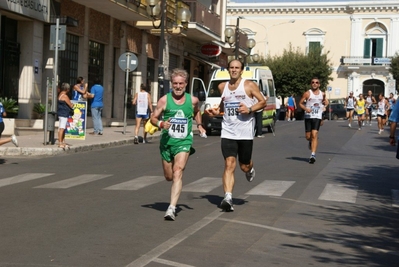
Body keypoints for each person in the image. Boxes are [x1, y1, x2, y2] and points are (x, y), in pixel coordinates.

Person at [204, 59, 266, 212]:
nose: (234, 70)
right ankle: (228, 197)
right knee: (229, 164)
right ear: (228, 69)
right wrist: (217, 112)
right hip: (228, 131)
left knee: (243, 166)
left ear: (242, 70)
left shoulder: (249, 85)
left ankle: (250, 169)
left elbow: (263, 102)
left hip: (245, 132)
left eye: (237, 68)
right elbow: (224, 105)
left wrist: (250, 109)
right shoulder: (222, 86)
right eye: (231, 67)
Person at [150, 68, 206, 221]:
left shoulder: (192, 100)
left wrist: (199, 125)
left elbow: (196, 111)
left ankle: (171, 208)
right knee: (169, 176)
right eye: (175, 83)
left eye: (181, 83)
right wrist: (161, 123)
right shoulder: (164, 100)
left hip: (184, 141)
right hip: (167, 142)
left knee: (178, 170)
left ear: (186, 84)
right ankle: (172, 201)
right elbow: (153, 118)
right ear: (171, 84)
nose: (178, 86)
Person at [299, 77, 328, 164]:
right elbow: (300, 103)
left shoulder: (322, 94)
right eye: (313, 82)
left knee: (315, 134)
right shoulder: (307, 93)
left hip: (317, 116)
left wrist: (324, 107)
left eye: (316, 82)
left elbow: (326, 102)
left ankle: (313, 155)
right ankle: (311, 142)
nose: (314, 84)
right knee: (308, 136)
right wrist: (305, 108)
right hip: (308, 116)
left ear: (319, 84)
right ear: (311, 84)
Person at [57, 83, 74, 149]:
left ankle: (62, 141)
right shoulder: (65, 96)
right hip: (64, 113)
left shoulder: (60, 94)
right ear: (67, 89)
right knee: (62, 128)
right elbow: (70, 105)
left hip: (60, 112)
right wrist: (72, 105)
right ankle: (60, 142)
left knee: (60, 128)